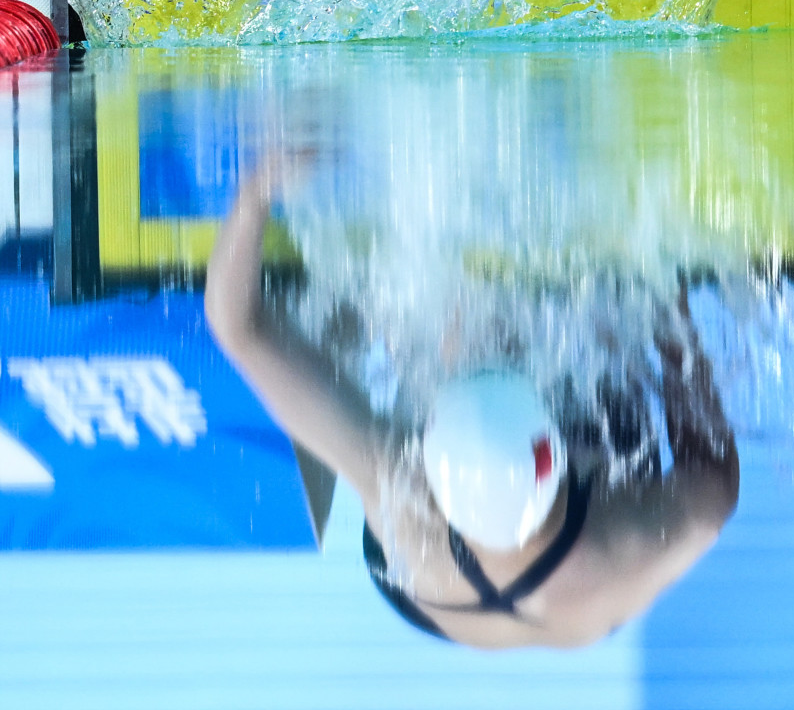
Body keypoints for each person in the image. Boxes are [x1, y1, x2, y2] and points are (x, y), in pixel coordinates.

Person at [205, 162, 739, 649]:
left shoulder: (402, 501)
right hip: (557, 565)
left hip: (421, 588)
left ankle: (442, 348)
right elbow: (710, 465)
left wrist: (256, 189)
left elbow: (239, 327)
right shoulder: (654, 532)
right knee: (612, 353)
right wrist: (671, 302)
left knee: (425, 315)